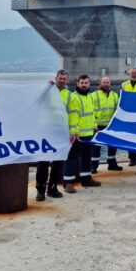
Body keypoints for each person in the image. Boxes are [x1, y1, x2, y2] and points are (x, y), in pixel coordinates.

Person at [63, 75, 101, 193]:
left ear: (89, 84)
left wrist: (95, 127)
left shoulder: (89, 97)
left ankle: (86, 179)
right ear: (77, 84)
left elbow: (91, 114)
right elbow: (73, 116)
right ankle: (68, 183)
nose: (84, 85)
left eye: (86, 83)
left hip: (89, 134)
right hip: (77, 135)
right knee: (72, 158)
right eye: (82, 83)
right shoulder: (74, 97)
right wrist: (73, 131)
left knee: (86, 158)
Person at [36, 69, 69, 201]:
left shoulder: (69, 95)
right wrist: (45, 89)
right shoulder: (48, 91)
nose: (61, 81)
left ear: (67, 80)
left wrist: (73, 131)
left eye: (64, 79)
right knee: (43, 161)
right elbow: (37, 102)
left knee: (58, 162)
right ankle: (40, 190)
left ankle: (53, 188)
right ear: (56, 78)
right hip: (46, 131)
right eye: (59, 78)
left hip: (61, 133)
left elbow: (72, 114)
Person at [91, 77, 121, 174]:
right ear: (100, 83)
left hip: (110, 126)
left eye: (107, 82)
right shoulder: (94, 95)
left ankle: (112, 164)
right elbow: (90, 111)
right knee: (96, 147)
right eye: (104, 82)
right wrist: (93, 125)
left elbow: (118, 109)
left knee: (112, 146)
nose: (106, 84)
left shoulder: (114, 95)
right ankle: (93, 166)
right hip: (98, 125)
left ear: (110, 84)